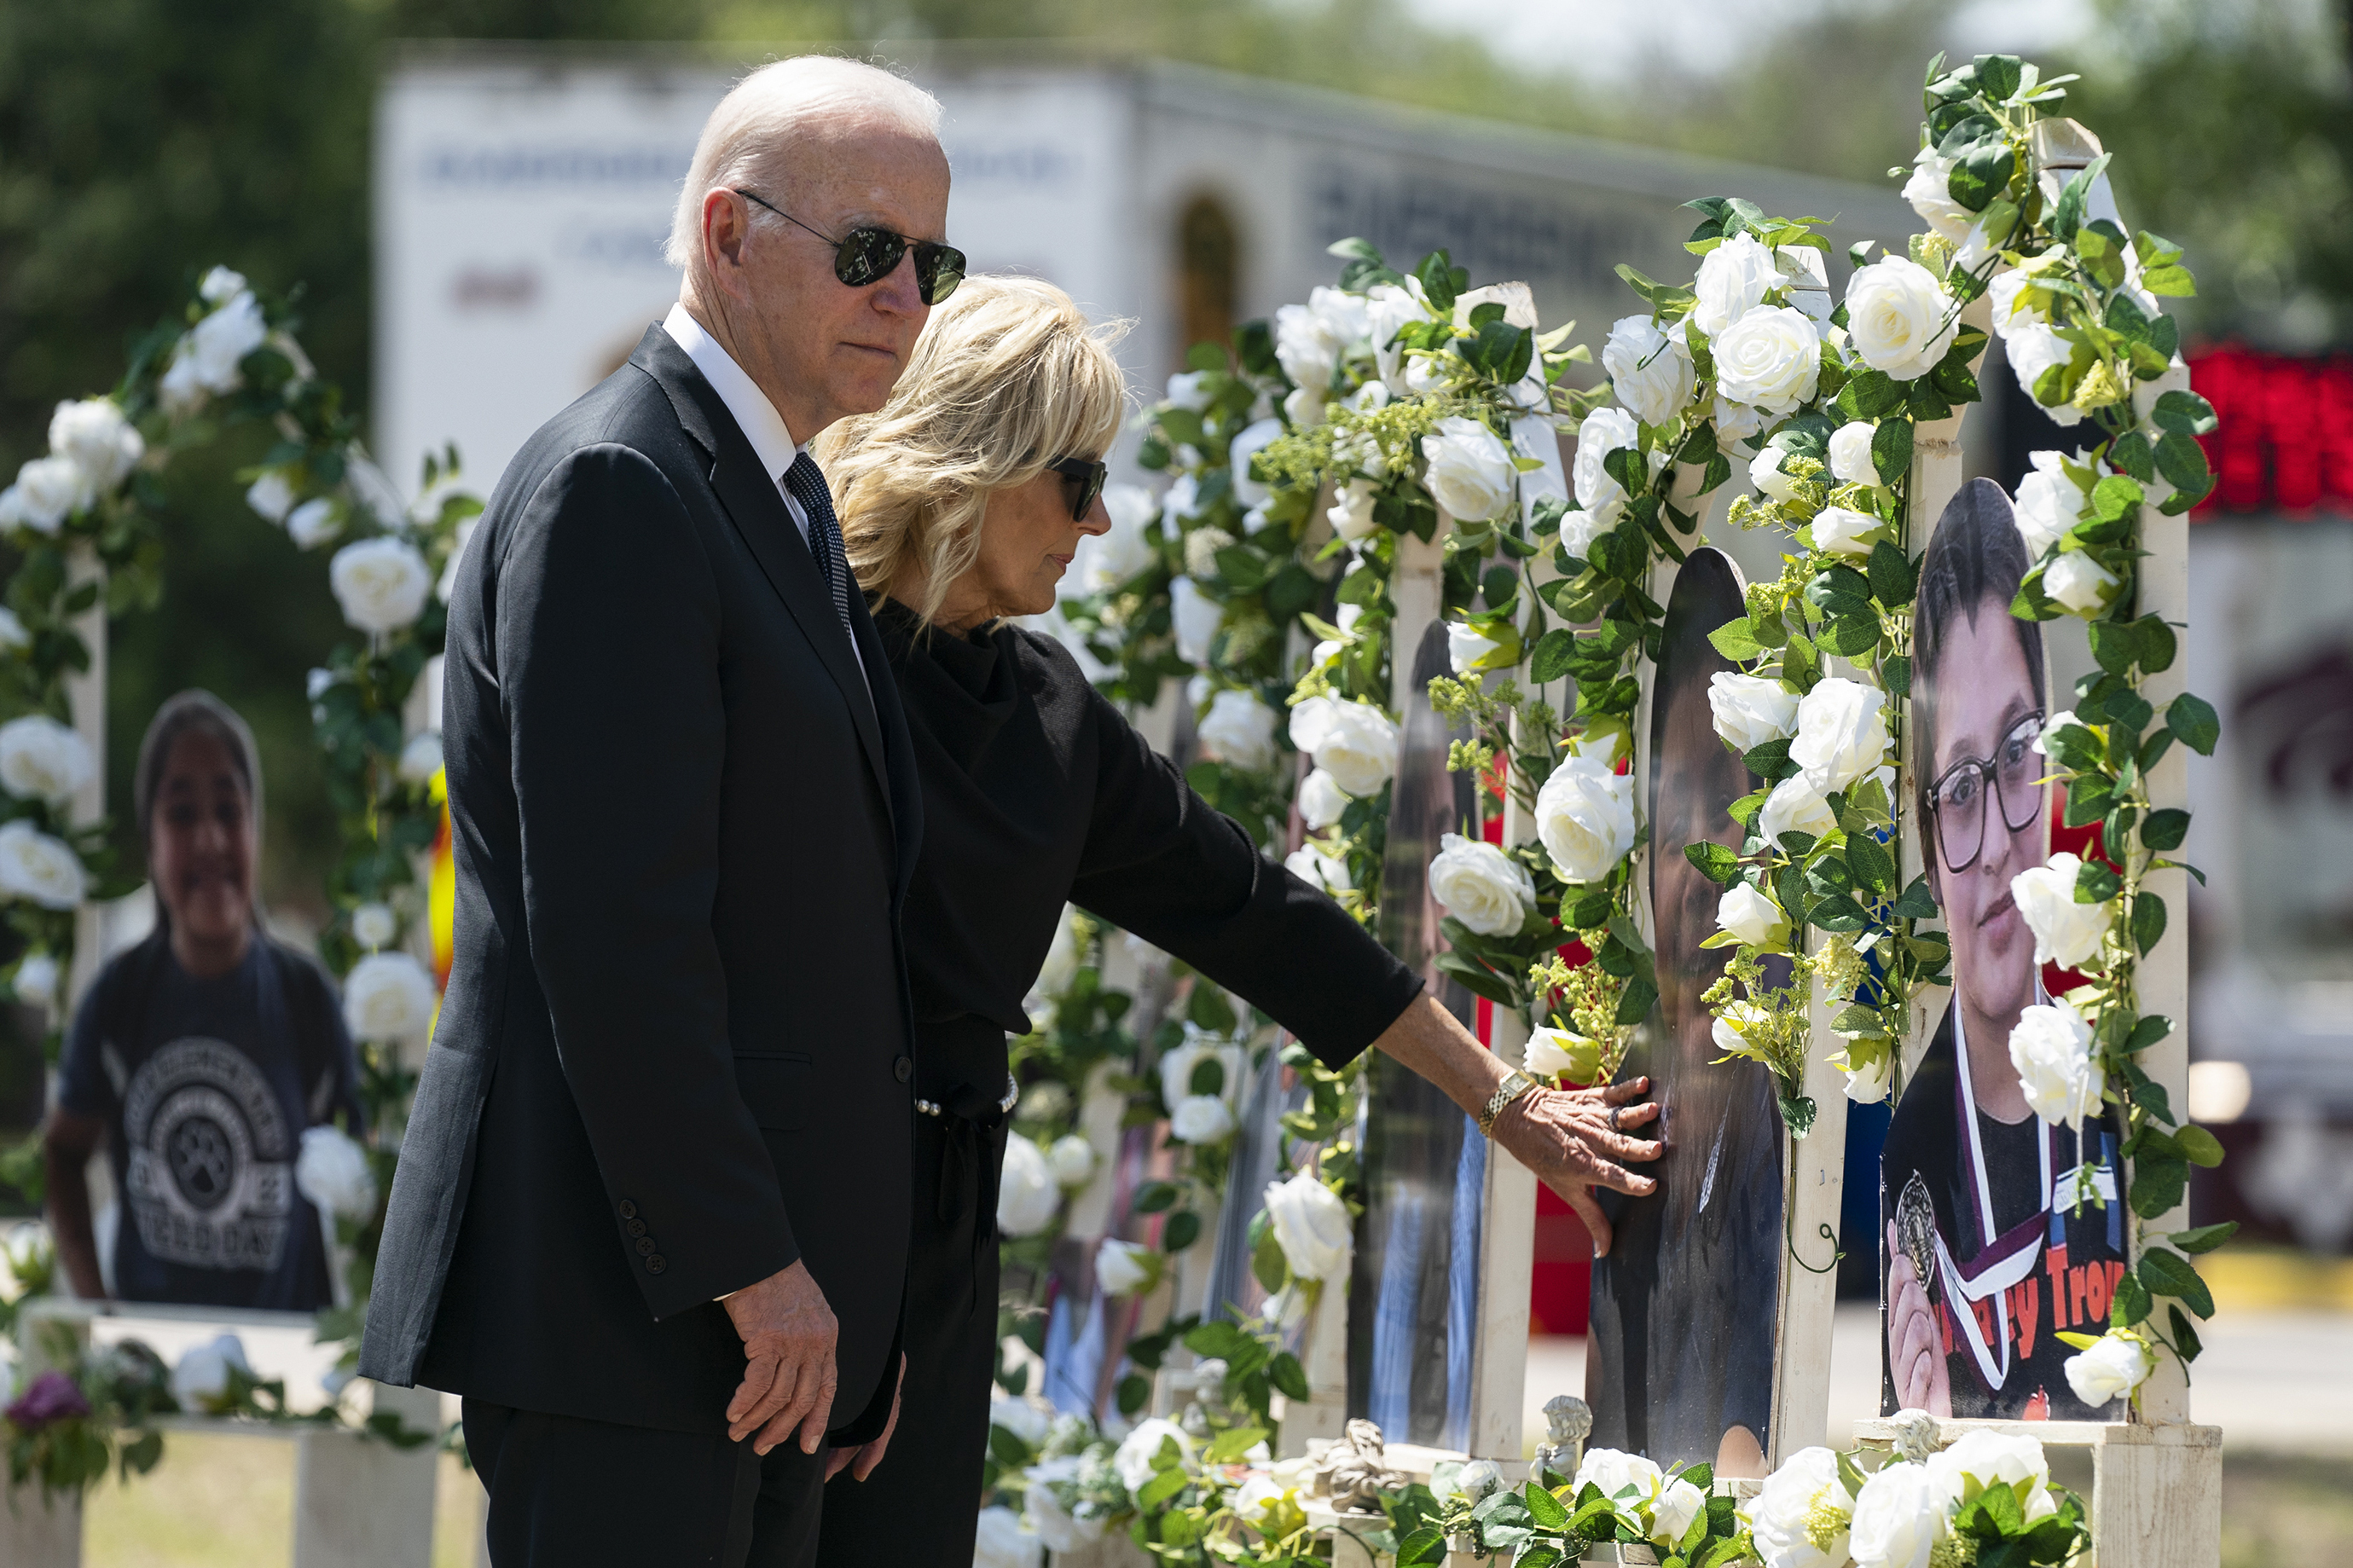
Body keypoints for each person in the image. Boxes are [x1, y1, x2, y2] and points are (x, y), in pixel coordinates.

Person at [808, 275, 1665, 1567]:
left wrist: (1507, 1104)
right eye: (1075, 478)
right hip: (783, 1226)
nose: (1096, 523)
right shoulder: (801, 652)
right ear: (974, 462)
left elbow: (1255, 913)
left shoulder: (1043, 705)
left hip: (935, 1240)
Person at [360, 58, 957, 1566]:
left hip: (750, 1342)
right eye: (869, 251)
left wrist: (842, 1302)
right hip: (637, 1318)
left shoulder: (783, 492)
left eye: (930, 263)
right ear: (725, 232)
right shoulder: (621, 483)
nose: (906, 299)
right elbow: (617, 938)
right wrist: (758, 1266)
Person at [1879, 477, 2125, 1420]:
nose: (1989, 846)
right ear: (1925, 842)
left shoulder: (2116, 1093)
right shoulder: (1911, 1144)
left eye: (2016, 755)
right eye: (1955, 790)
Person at [43, 691, 365, 1311]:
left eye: (228, 807)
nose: (211, 838)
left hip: (286, 1367)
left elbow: (372, 1174)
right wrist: (97, 1304)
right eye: (182, 812)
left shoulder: (305, 998)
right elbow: (62, 1150)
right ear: (150, 837)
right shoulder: (118, 998)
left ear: (256, 826)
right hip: (153, 1367)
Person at [1585, 548, 1782, 1476]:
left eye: (1728, 807)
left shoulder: (1785, 1151)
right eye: (1675, 824)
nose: (1699, 866)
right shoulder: (1637, 1134)